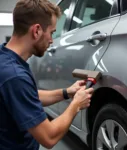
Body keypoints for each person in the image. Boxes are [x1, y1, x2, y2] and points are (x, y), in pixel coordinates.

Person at [0, 0, 94, 150]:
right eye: (51, 33)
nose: (51, 40)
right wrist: (76, 104)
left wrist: (67, 93)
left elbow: (28, 97)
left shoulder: (4, 57)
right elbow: (49, 137)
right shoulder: (15, 76)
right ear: (36, 30)